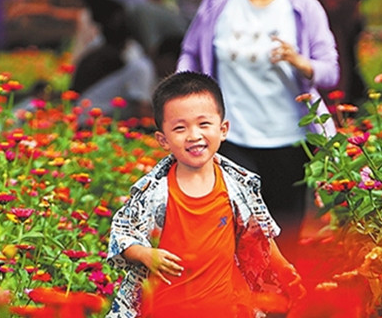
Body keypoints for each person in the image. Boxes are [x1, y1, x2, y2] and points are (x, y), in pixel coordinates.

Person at [176, 0, 339, 260]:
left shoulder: (303, 6)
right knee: (232, 236)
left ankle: (279, 310)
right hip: (231, 140)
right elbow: (191, 52)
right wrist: (185, 97)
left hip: (290, 143)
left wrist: (300, 62)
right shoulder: (217, 3)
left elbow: (330, 71)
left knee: (286, 242)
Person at [106, 71, 305, 318]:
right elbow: (124, 233)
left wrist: (286, 272)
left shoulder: (235, 188)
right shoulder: (155, 192)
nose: (194, 135)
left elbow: (259, 237)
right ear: (163, 139)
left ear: (223, 129)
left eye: (204, 124)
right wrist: (145, 254)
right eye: (180, 128)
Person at [70, 0, 156, 122]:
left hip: (86, 116)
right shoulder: (134, 60)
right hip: (92, 120)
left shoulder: (97, 52)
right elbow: (141, 109)